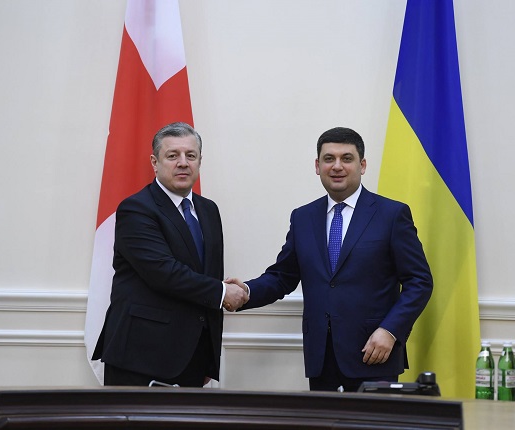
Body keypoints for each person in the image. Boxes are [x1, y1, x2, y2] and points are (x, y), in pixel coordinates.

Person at [226, 127, 433, 392]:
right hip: (321, 358)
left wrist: (390, 331)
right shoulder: (303, 217)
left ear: (362, 165)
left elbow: (419, 281)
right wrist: (246, 291)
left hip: (374, 353)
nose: (337, 166)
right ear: (317, 166)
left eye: (346, 158)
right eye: (328, 159)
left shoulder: (392, 215)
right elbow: (282, 277)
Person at [92, 122, 248, 387]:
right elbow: (164, 273)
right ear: (155, 162)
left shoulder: (209, 210)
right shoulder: (136, 209)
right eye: (173, 155)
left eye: (191, 155)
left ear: (200, 161)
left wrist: (208, 355)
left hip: (193, 357)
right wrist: (223, 292)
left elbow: (206, 274)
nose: (183, 163)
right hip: (141, 358)